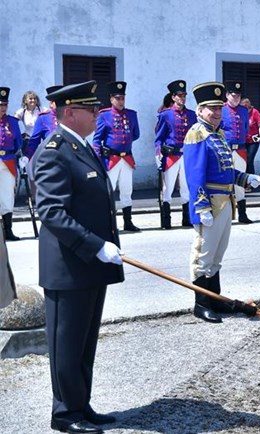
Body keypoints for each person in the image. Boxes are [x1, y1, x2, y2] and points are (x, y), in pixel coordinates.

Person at [33, 81, 124, 434]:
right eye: (92, 109)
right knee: (66, 343)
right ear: (70, 112)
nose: (98, 114)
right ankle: (64, 414)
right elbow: (52, 212)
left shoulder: (81, 147)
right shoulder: (55, 150)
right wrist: (96, 245)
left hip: (89, 265)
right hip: (68, 266)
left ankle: (81, 405)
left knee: (85, 342)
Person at [183, 82, 260, 323]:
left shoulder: (218, 134)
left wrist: (244, 178)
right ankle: (202, 304)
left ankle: (215, 299)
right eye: (211, 109)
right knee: (203, 255)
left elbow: (226, 172)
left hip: (226, 200)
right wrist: (201, 206)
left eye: (219, 109)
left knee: (217, 255)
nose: (217, 113)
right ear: (199, 110)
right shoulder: (197, 134)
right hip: (210, 203)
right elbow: (194, 174)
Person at [92, 81, 141, 232]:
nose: (121, 101)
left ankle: (128, 222)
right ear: (111, 99)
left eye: (122, 98)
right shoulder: (104, 115)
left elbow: (136, 134)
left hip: (126, 158)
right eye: (117, 98)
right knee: (108, 192)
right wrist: (100, 156)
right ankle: (108, 223)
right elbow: (96, 140)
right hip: (110, 159)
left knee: (127, 191)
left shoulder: (131, 114)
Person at [154, 79, 197, 229]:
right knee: (168, 189)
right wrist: (159, 154)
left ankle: (187, 219)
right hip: (171, 156)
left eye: (184, 95)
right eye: (179, 95)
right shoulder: (165, 115)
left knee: (186, 188)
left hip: (186, 156)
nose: (182, 98)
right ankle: (166, 221)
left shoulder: (191, 115)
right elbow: (158, 138)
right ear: (173, 97)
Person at [221, 81, 252, 224]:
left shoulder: (244, 111)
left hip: (240, 150)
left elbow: (246, 129)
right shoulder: (221, 109)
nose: (236, 98)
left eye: (238, 96)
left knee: (241, 184)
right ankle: (224, 214)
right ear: (227, 95)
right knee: (224, 182)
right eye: (234, 95)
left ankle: (242, 214)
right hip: (226, 149)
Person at [0, 87, 23, 241]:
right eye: (0, 105)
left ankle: (8, 230)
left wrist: (21, 157)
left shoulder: (12, 122)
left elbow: (18, 143)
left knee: (7, 196)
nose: (2, 108)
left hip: (8, 162)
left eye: (4, 105)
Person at [23, 85, 62, 161]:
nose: (60, 104)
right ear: (51, 103)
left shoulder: (70, 116)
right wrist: (27, 157)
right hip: (51, 159)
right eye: (57, 102)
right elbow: (34, 141)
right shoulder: (43, 118)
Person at [241, 97, 260, 175]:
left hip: (253, 141)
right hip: (243, 141)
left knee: (249, 159)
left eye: (247, 106)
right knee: (242, 160)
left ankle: (251, 180)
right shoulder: (241, 113)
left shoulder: (255, 112)